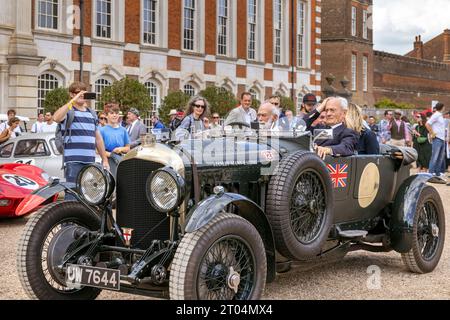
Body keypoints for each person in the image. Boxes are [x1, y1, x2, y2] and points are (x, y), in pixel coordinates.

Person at [53, 81, 109, 190]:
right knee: (73, 193)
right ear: (71, 94)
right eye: (78, 92)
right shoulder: (69, 111)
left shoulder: (91, 113)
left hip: (90, 161)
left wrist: (105, 159)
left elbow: (98, 139)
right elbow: (56, 118)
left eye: (83, 93)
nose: (81, 95)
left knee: (88, 194)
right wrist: (73, 101)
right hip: (73, 161)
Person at [99, 106, 131, 177]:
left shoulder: (123, 130)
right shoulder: (102, 130)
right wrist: (111, 154)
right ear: (107, 116)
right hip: (107, 161)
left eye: (116, 113)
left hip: (120, 160)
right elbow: (98, 150)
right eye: (111, 113)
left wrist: (120, 149)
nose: (114, 115)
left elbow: (128, 148)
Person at [426, 103, 447, 180]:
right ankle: (430, 174)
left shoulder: (440, 115)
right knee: (434, 157)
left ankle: (437, 174)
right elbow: (427, 124)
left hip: (442, 139)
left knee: (440, 158)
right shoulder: (436, 114)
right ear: (442, 107)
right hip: (437, 138)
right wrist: (432, 133)